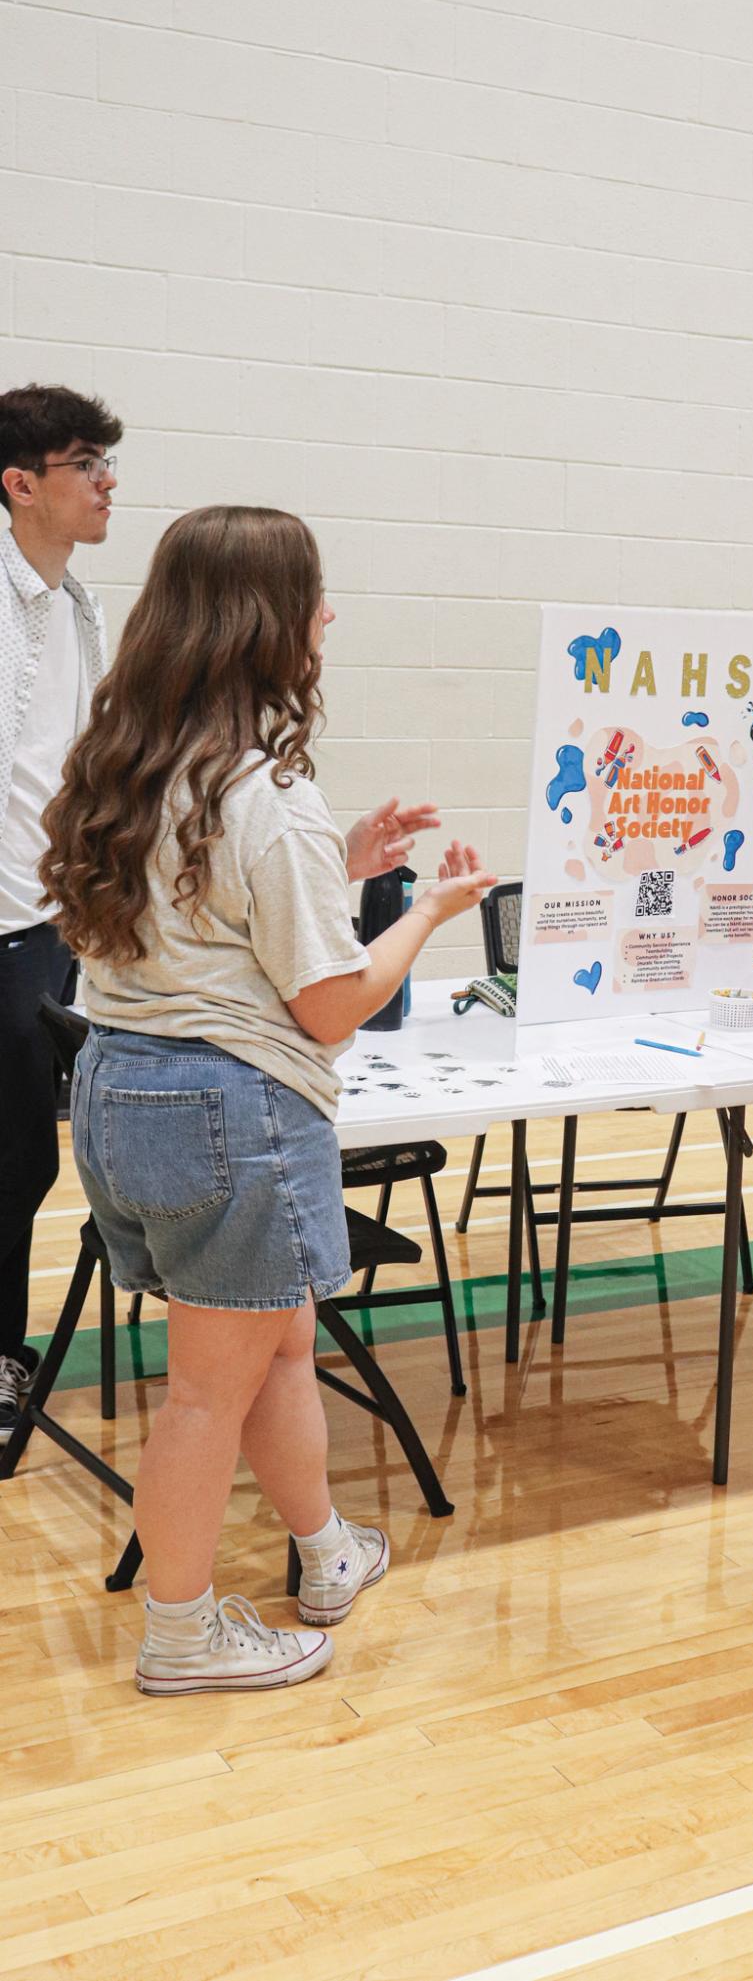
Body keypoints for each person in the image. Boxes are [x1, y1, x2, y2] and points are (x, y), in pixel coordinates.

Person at [40, 504, 494, 1695]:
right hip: (227, 1111)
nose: (329, 616)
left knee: (278, 1336)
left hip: (120, 1088)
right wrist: (423, 916)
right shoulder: (264, 790)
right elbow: (332, 1007)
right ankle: (181, 1635)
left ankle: (323, 1550)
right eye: (315, 596)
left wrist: (341, 864)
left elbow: (201, 917)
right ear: (266, 621)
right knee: (207, 1388)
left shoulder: (133, 760)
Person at [0, 383, 122, 1444]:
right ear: (21, 483)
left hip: (44, 930)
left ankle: (3, 1351)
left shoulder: (74, 603)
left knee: (27, 1157)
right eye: (87, 464)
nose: (107, 483)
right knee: (10, 1160)